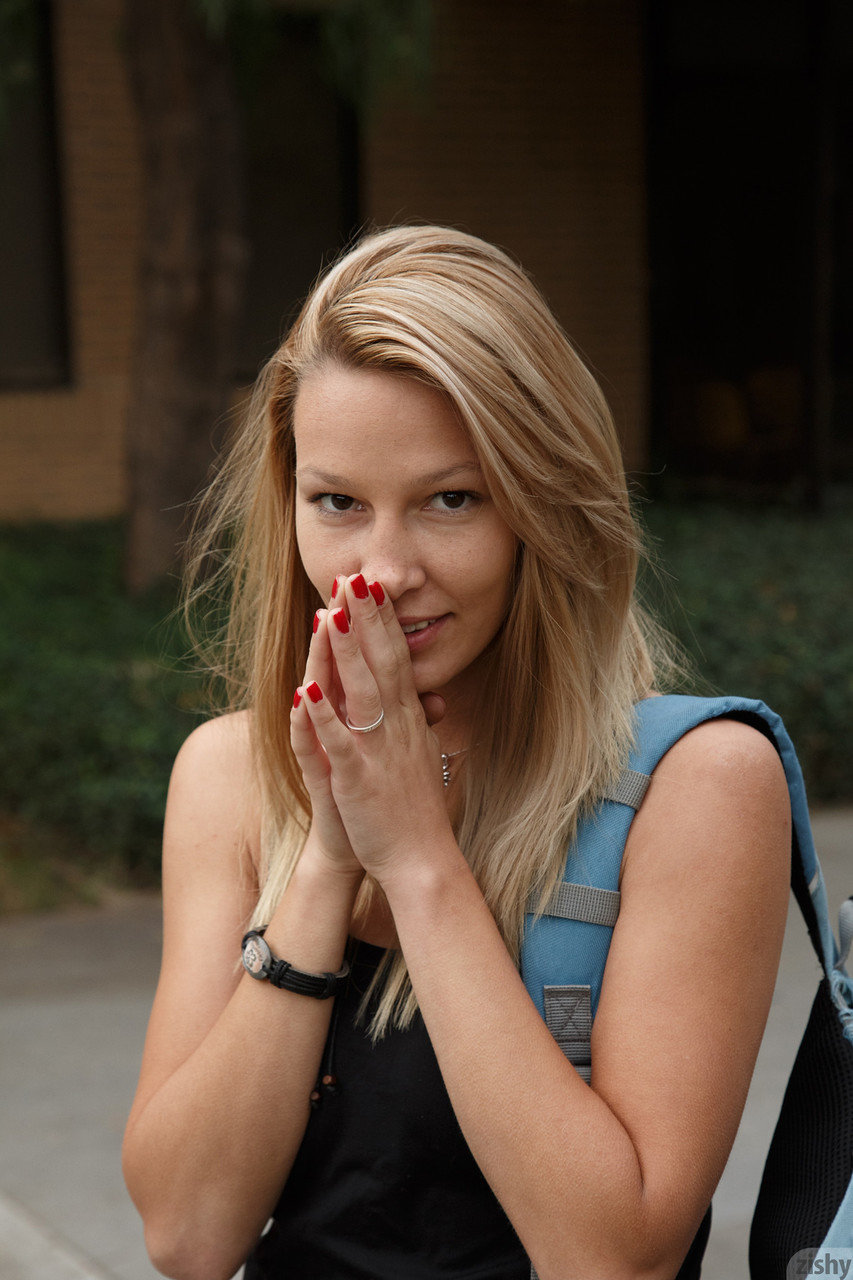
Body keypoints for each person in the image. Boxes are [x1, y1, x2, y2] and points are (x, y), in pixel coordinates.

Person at [122, 225, 791, 1280]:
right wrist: (330, 858)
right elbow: (188, 1231)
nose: (382, 568)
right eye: (337, 501)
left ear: (543, 503)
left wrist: (419, 860)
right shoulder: (228, 777)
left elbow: (612, 1255)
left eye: (450, 499)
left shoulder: (694, 785)